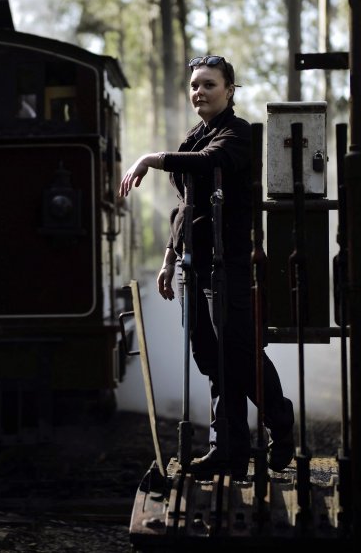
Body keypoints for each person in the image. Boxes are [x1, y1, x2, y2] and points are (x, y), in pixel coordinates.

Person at [118, 55, 295, 479]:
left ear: (230, 90)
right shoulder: (195, 134)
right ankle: (227, 449)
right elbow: (186, 208)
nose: (199, 91)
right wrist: (168, 260)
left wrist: (151, 158)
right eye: (195, 85)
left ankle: (280, 419)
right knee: (210, 358)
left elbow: (208, 164)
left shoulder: (237, 134)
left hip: (230, 264)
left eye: (209, 84)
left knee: (239, 352)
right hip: (193, 265)